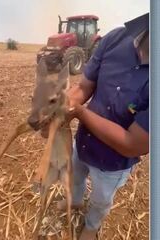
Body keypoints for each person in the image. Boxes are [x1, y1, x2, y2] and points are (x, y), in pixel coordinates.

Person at [61, 13, 150, 239]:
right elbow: (84, 87)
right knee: (75, 175)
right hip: (83, 143)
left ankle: (91, 225)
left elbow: (132, 145)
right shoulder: (115, 39)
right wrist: (66, 104)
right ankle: (76, 201)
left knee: (101, 199)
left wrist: (79, 112)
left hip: (112, 163)